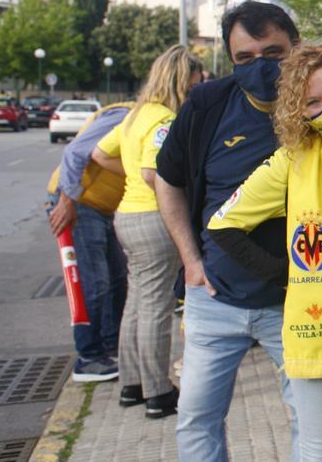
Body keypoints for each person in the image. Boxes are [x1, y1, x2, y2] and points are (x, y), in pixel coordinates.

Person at [207, 42, 322, 462]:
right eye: (314, 102)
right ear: (298, 110)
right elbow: (224, 223)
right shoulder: (292, 161)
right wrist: (284, 274)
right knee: (319, 451)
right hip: (317, 330)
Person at [154, 1, 302, 461]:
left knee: (311, 418)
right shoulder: (208, 106)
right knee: (197, 419)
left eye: (274, 53)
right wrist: (190, 261)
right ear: (230, 60)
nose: (261, 67)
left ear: (296, 48)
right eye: (245, 58)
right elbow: (168, 179)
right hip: (214, 298)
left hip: (298, 301)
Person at [92, 45, 202, 419]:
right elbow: (153, 174)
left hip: (126, 215)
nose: (197, 85)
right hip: (155, 219)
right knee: (156, 307)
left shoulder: (134, 116)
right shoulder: (164, 120)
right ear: (181, 77)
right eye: (194, 78)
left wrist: (133, 173)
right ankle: (158, 392)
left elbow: (100, 155)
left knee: (137, 303)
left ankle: (132, 385)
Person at [46, 100, 133, 382]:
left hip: (101, 208)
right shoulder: (124, 115)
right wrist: (67, 200)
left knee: (117, 279)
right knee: (94, 282)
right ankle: (89, 357)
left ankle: (109, 346)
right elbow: (75, 151)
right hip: (79, 204)